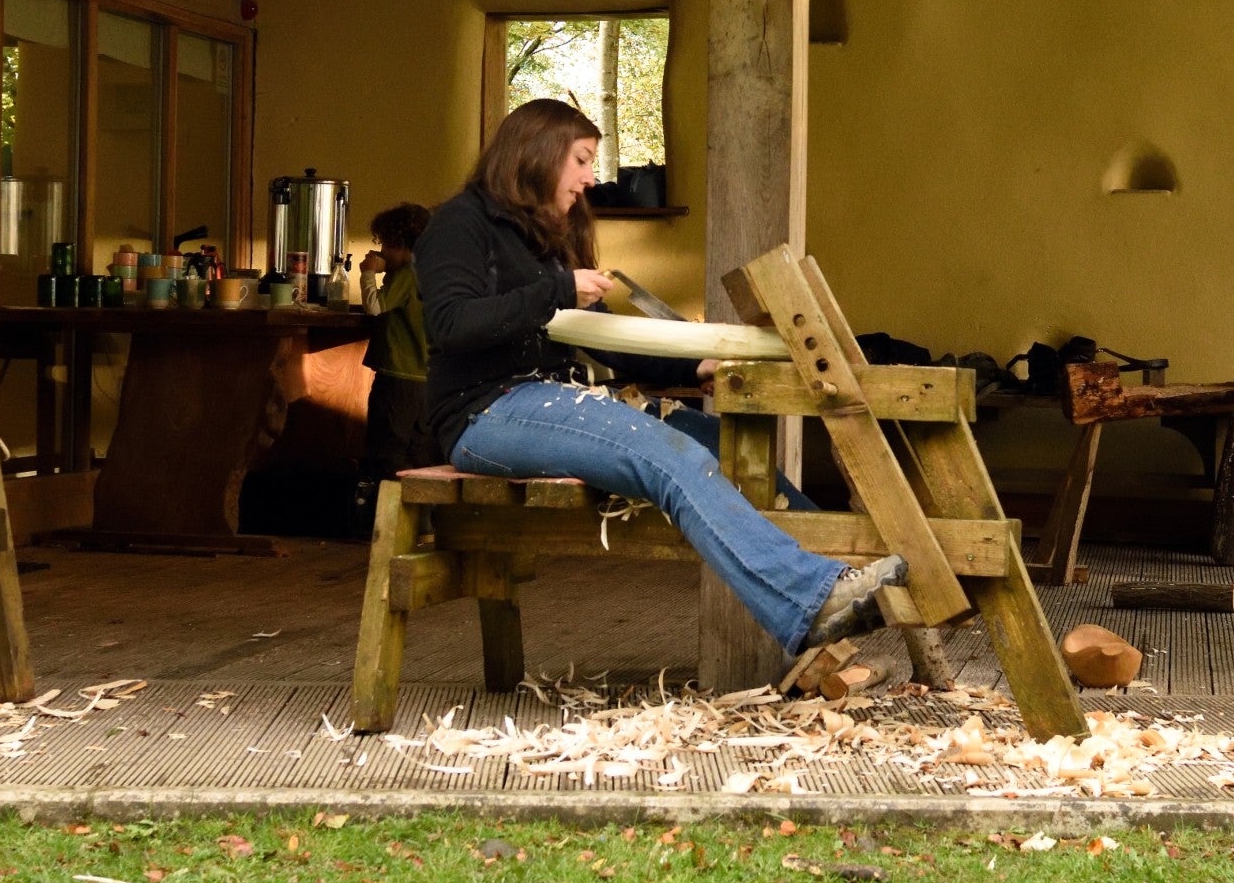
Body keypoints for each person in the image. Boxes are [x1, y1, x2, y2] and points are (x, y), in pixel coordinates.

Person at [420, 98, 903, 658]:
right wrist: (558, 290)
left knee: (719, 443)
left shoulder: (545, 233)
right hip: (485, 412)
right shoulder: (459, 224)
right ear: (536, 153)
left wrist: (692, 367)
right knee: (666, 454)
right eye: (581, 160)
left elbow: (602, 337)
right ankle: (810, 597)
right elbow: (450, 323)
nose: (590, 178)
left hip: (559, 400)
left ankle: (845, 578)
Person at [359, 202, 433, 477]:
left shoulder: (406, 274)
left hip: (398, 378)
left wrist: (368, 272)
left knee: (386, 451)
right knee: (420, 453)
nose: (382, 252)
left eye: (385, 245)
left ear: (401, 245)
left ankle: (382, 501)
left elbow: (374, 306)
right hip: (428, 380)